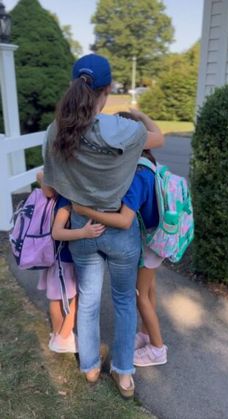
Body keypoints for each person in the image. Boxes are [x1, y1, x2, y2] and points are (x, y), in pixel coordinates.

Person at [43, 53, 164, 397]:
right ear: (107, 88)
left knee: (90, 298)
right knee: (125, 300)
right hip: (119, 229)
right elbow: (159, 139)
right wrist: (139, 113)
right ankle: (124, 375)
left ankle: (91, 368)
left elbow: (51, 188)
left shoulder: (55, 131)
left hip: (81, 227)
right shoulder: (124, 129)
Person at [74, 138, 167, 367]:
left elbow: (125, 220)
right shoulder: (150, 164)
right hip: (160, 236)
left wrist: (85, 210)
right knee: (149, 289)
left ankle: (157, 347)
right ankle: (146, 334)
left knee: (139, 296)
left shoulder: (136, 176)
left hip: (148, 241)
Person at [36, 171, 105, 353]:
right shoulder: (67, 199)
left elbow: (41, 174)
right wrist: (84, 232)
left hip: (60, 258)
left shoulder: (61, 193)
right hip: (63, 259)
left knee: (59, 296)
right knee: (72, 297)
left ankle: (59, 335)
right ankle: (63, 337)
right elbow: (56, 232)